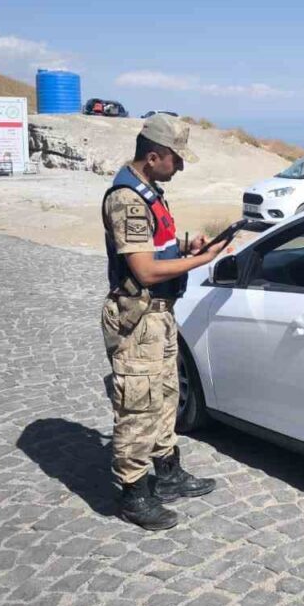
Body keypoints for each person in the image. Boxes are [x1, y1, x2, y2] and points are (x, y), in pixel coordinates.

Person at [101, 114, 230, 530]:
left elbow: (157, 250)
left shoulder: (151, 191)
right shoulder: (126, 198)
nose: (181, 166)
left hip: (161, 314)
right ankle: (133, 494)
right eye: (176, 159)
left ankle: (168, 475)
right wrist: (202, 259)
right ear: (153, 156)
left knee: (165, 397)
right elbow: (144, 271)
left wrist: (185, 247)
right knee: (138, 404)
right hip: (139, 318)